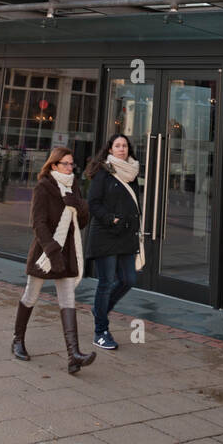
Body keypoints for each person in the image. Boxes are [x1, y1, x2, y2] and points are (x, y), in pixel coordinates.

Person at [10, 145, 95, 375]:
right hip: (46, 253)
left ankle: (73, 356)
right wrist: (51, 251)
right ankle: (17, 340)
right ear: (54, 165)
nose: (69, 167)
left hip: (67, 252)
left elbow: (82, 222)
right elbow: (38, 223)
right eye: (65, 163)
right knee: (31, 295)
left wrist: (79, 205)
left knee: (68, 300)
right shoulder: (43, 187)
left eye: (71, 164)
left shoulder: (73, 186)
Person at [85, 133, 144, 350]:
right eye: (117, 145)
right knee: (106, 282)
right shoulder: (104, 172)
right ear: (110, 149)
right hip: (106, 234)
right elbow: (93, 203)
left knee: (128, 279)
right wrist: (112, 219)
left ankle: (99, 309)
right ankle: (100, 331)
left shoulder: (132, 173)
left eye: (125, 145)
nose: (122, 149)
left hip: (126, 235)